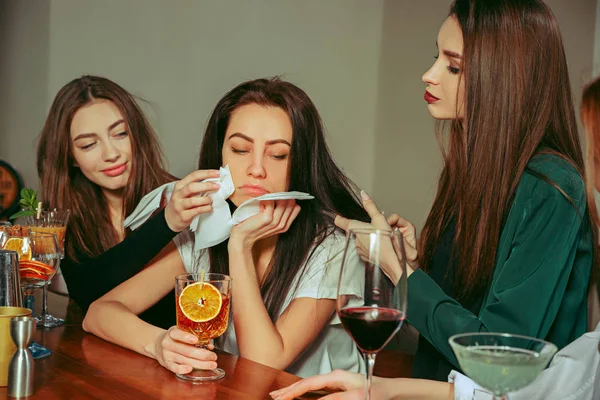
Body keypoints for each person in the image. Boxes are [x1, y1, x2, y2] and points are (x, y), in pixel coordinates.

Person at [269, 73, 600, 400]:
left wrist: (401, 271)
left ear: (503, 71)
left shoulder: (551, 187)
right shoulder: (467, 174)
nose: (429, 74)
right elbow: (447, 330)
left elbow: (498, 367)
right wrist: (414, 266)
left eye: (454, 66)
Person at [82, 77, 371, 378]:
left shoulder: (333, 246)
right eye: (240, 149)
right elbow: (99, 314)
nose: (256, 169)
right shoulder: (206, 229)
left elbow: (263, 363)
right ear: (220, 154)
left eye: (278, 154)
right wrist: (158, 344)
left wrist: (240, 246)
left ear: (301, 162)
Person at [36, 75, 220, 329]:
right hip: (101, 355)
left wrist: (170, 219)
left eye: (120, 133)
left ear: (137, 134)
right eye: (89, 145)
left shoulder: (182, 202)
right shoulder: (70, 211)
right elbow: (87, 294)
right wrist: (165, 223)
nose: (112, 154)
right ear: (72, 157)